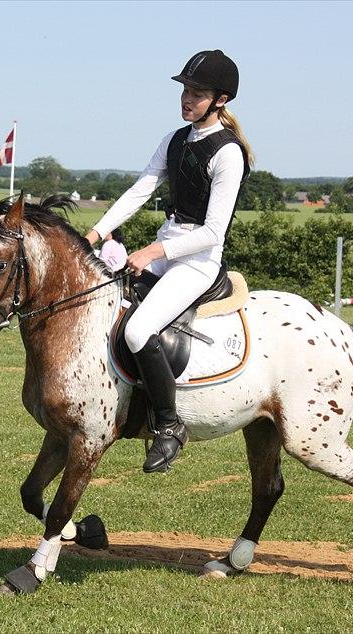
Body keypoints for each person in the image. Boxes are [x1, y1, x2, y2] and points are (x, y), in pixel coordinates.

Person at [85, 50, 252, 473]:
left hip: (198, 261)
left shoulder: (229, 154)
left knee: (140, 330)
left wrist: (152, 252)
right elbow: (140, 191)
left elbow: (214, 231)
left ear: (221, 100)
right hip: (167, 246)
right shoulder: (175, 139)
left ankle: (169, 425)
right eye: (184, 90)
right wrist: (94, 234)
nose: (186, 98)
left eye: (196, 93)